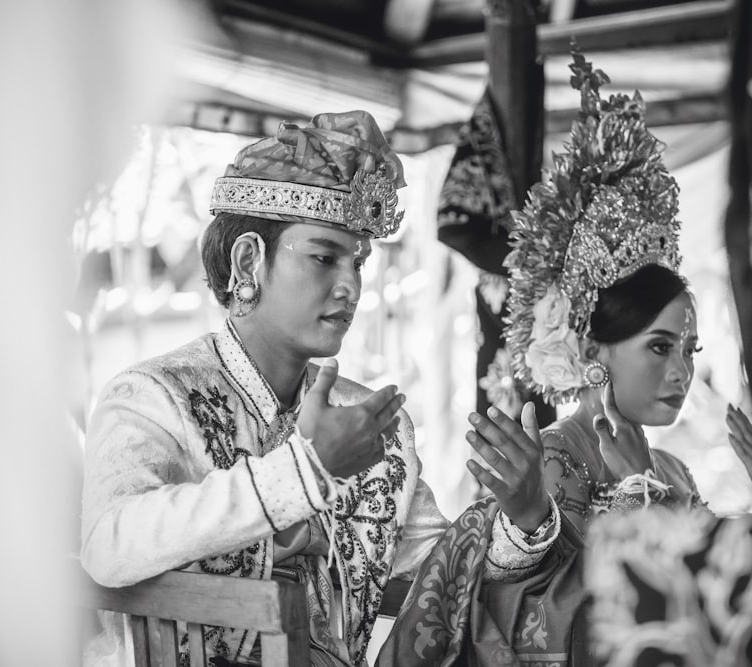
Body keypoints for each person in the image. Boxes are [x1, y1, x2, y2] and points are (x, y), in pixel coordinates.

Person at [80, 110, 559, 667]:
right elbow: (108, 546)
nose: (352, 284)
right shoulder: (152, 398)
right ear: (248, 261)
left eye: (358, 261)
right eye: (324, 257)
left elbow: (442, 578)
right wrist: (306, 472)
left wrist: (523, 518)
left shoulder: (371, 422)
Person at [377, 53, 752, 666]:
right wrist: (622, 496)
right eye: (659, 347)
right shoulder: (554, 462)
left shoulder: (670, 466)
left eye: (689, 350)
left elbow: (717, 598)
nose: (682, 371)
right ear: (590, 351)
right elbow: (546, 626)